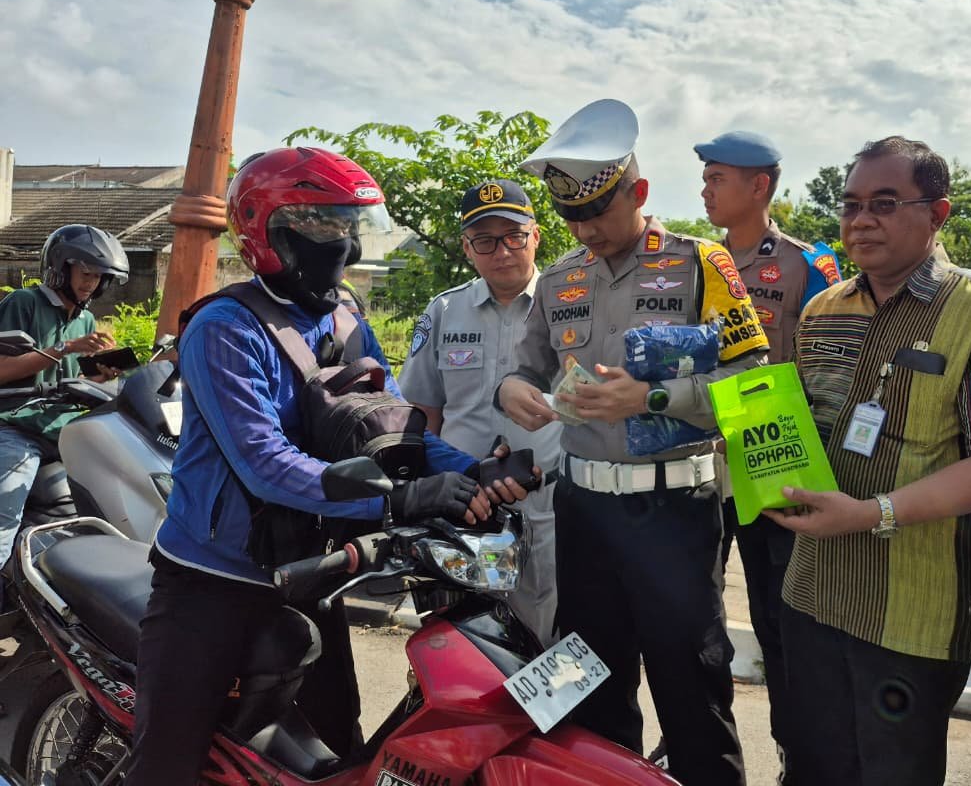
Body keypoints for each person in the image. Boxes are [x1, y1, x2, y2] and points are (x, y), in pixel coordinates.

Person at [126, 147, 532, 786]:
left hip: (313, 572)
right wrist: (398, 501)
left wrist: (475, 470)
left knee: (338, 752)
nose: (340, 243)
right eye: (321, 226)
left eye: (349, 227)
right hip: (214, 579)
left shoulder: (345, 318)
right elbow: (264, 463)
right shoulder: (225, 327)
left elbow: (392, 424)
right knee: (167, 765)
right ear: (268, 233)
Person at [764, 135, 971, 786]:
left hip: (912, 613)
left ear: (938, 214)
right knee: (810, 768)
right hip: (811, 590)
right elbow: (807, 426)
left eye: (885, 203)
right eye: (852, 204)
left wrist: (873, 513)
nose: (861, 220)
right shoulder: (822, 310)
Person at [498, 99, 771, 786]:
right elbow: (521, 368)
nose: (585, 229)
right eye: (570, 217)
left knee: (692, 687)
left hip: (672, 512)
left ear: (639, 193)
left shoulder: (699, 264)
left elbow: (756, 379)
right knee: (587, 680)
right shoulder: (560, 279)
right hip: (583, 510)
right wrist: (513, 392)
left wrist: (653, 396)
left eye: (598, 211)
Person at [694, 129, 842, 780]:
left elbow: (831, 365)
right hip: (698, 458)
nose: (704, 189)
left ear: (759, 186)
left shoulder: (810, 266)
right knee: (694, 613)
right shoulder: (689, 262)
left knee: (780, 618)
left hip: (770, 460)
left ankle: (795, 753)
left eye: (716, 178)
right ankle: (701, 748)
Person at [399, 178, 562, 644]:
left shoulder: (572, 307)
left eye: (513, 236)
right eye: (485, 240)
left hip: (546, 506)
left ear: (536, 236)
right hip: (464, 505)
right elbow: (422, 412)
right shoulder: (445, 311)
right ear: (467, 248)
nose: (502, 251)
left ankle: (540, 720)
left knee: (544, 629)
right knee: (460, 633)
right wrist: (424, 491)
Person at [0, 223, 129, 569]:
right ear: (61, 268)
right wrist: (64, 347)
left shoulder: (84, 319)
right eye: (84, 272)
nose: (91, 282)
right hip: (17, 427)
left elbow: (69, 379)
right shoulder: (24, 302)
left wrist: (98, 374)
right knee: (4, 513)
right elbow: (3, 369)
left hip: (65, 431)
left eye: (99, 276)